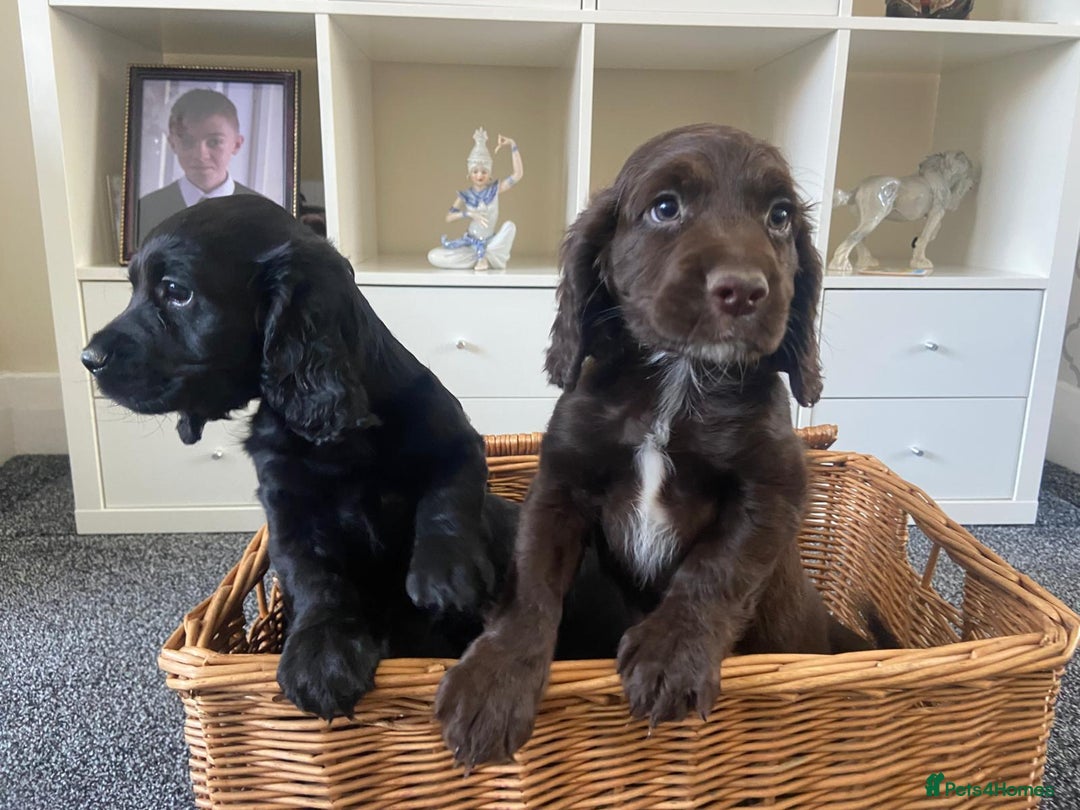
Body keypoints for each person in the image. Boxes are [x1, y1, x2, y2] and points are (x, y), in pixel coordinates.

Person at [137, 88, 260, 245]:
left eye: (214, 142)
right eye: (188, 142)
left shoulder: (260, 210)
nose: (200, 155)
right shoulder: (147, 210)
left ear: (236, 144)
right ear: (173, 144)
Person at [428, 128, 523, 271]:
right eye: (475, 171)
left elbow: (517, 174)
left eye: (484, 171)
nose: (479, 175)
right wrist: (468, 214)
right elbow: (449, 217)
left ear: (489, 174)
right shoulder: (465, 195)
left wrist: (512, 145)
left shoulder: (494, 190)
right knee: (434, 256)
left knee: (510, 226)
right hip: (471, 245)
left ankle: (485, 255)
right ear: (469, 174)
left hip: (491, 242)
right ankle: (481, 256)